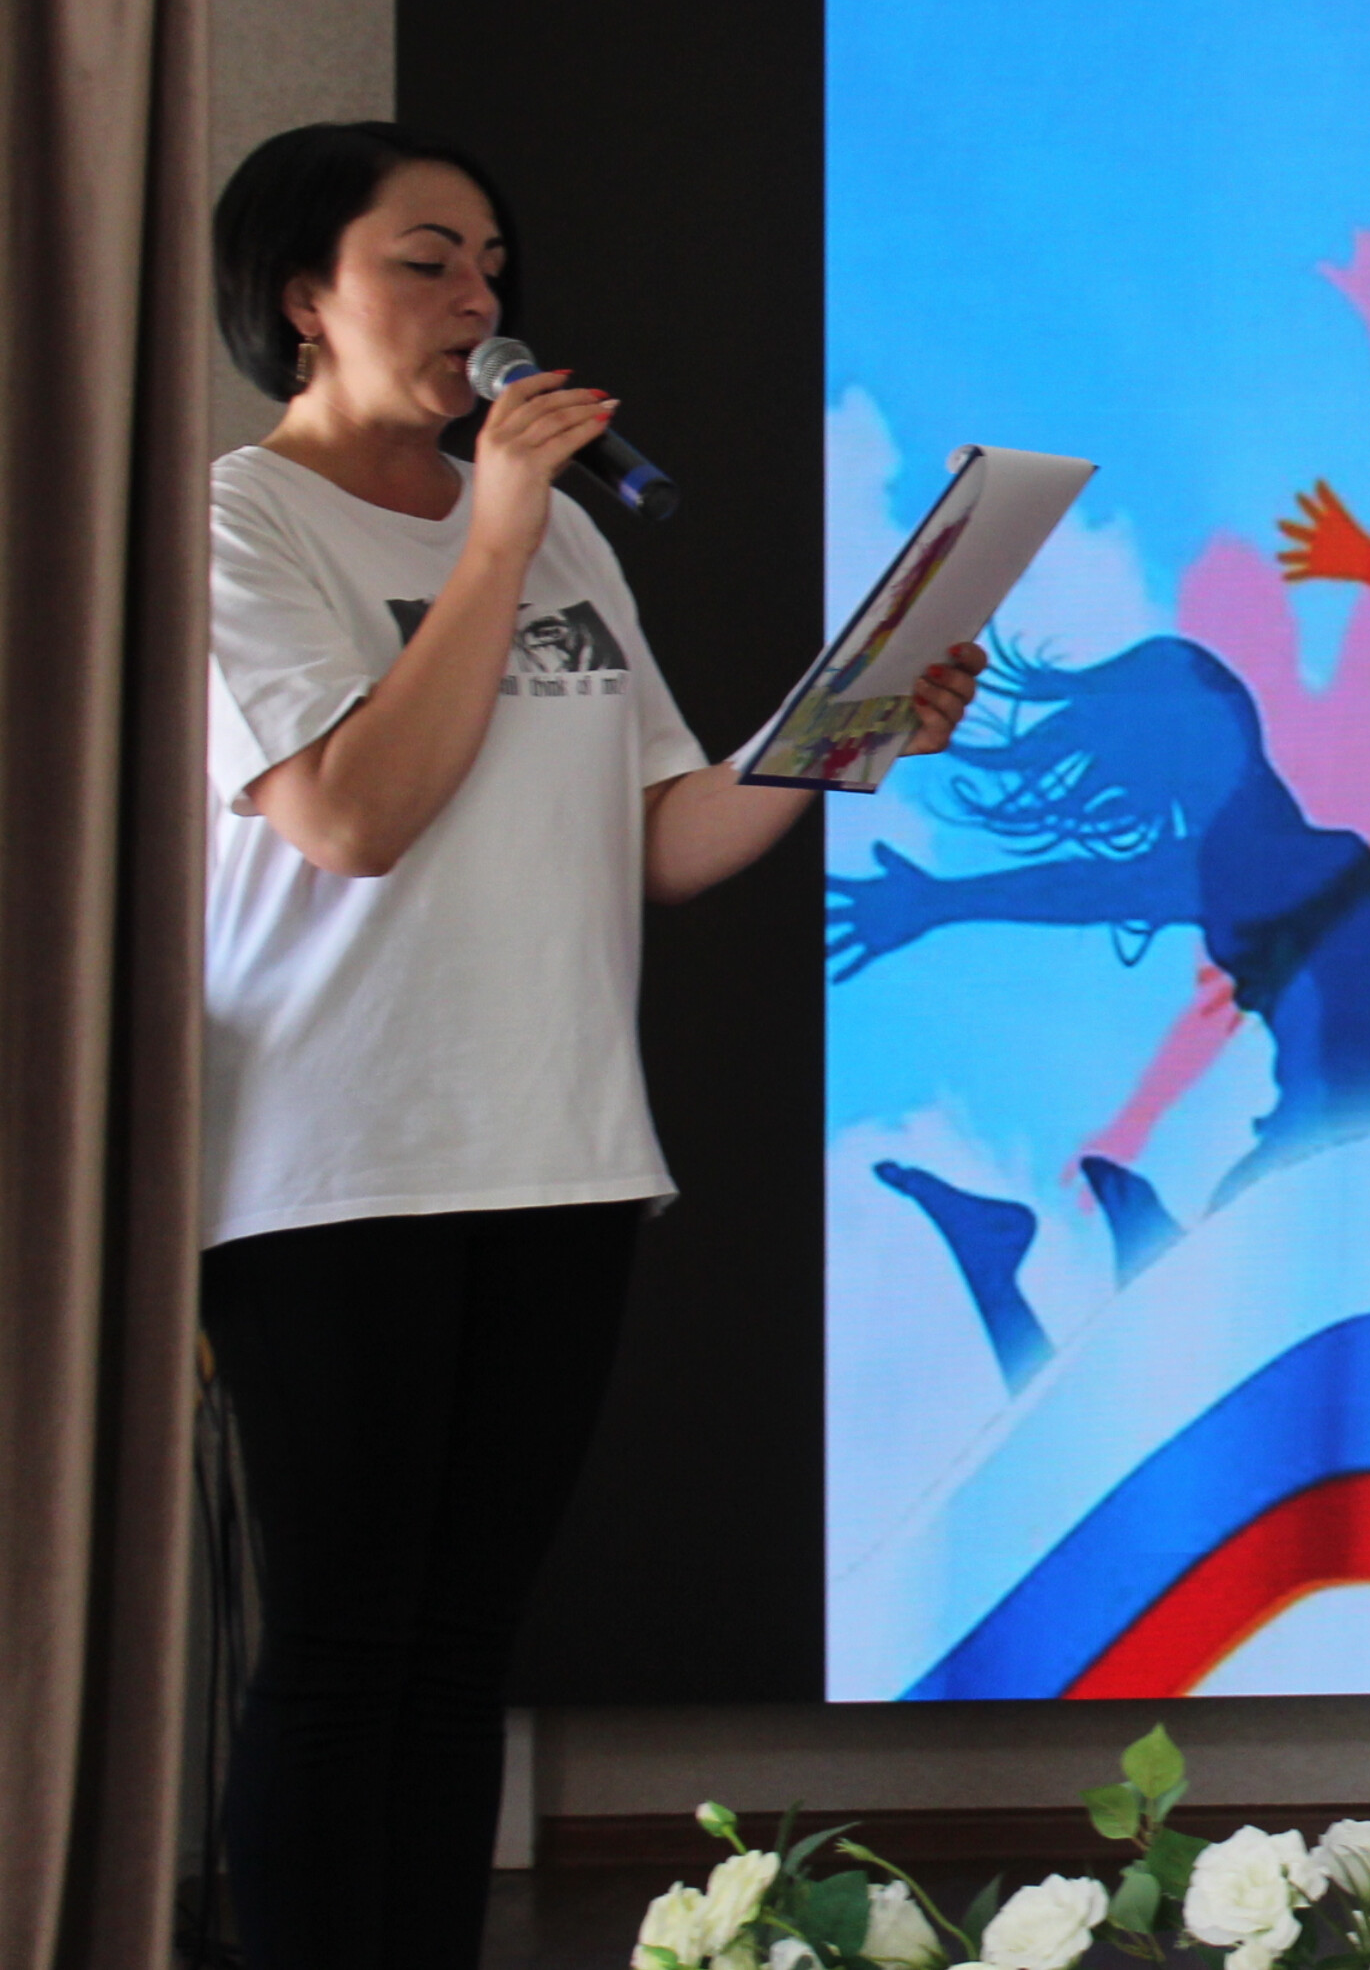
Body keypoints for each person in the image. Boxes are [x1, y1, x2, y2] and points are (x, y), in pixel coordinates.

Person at [197, 122, 983, 1970]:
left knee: (463, 1646)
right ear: (301, 297)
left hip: (555, 1149)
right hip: (338, 1159)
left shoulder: (553, 539)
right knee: (342, 1645)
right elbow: (353, 816)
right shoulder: (243, 524)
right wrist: (490, 535)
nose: (479, 299)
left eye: (491, 263)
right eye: (424, 262)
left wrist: (850, 732)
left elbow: (666, 841)